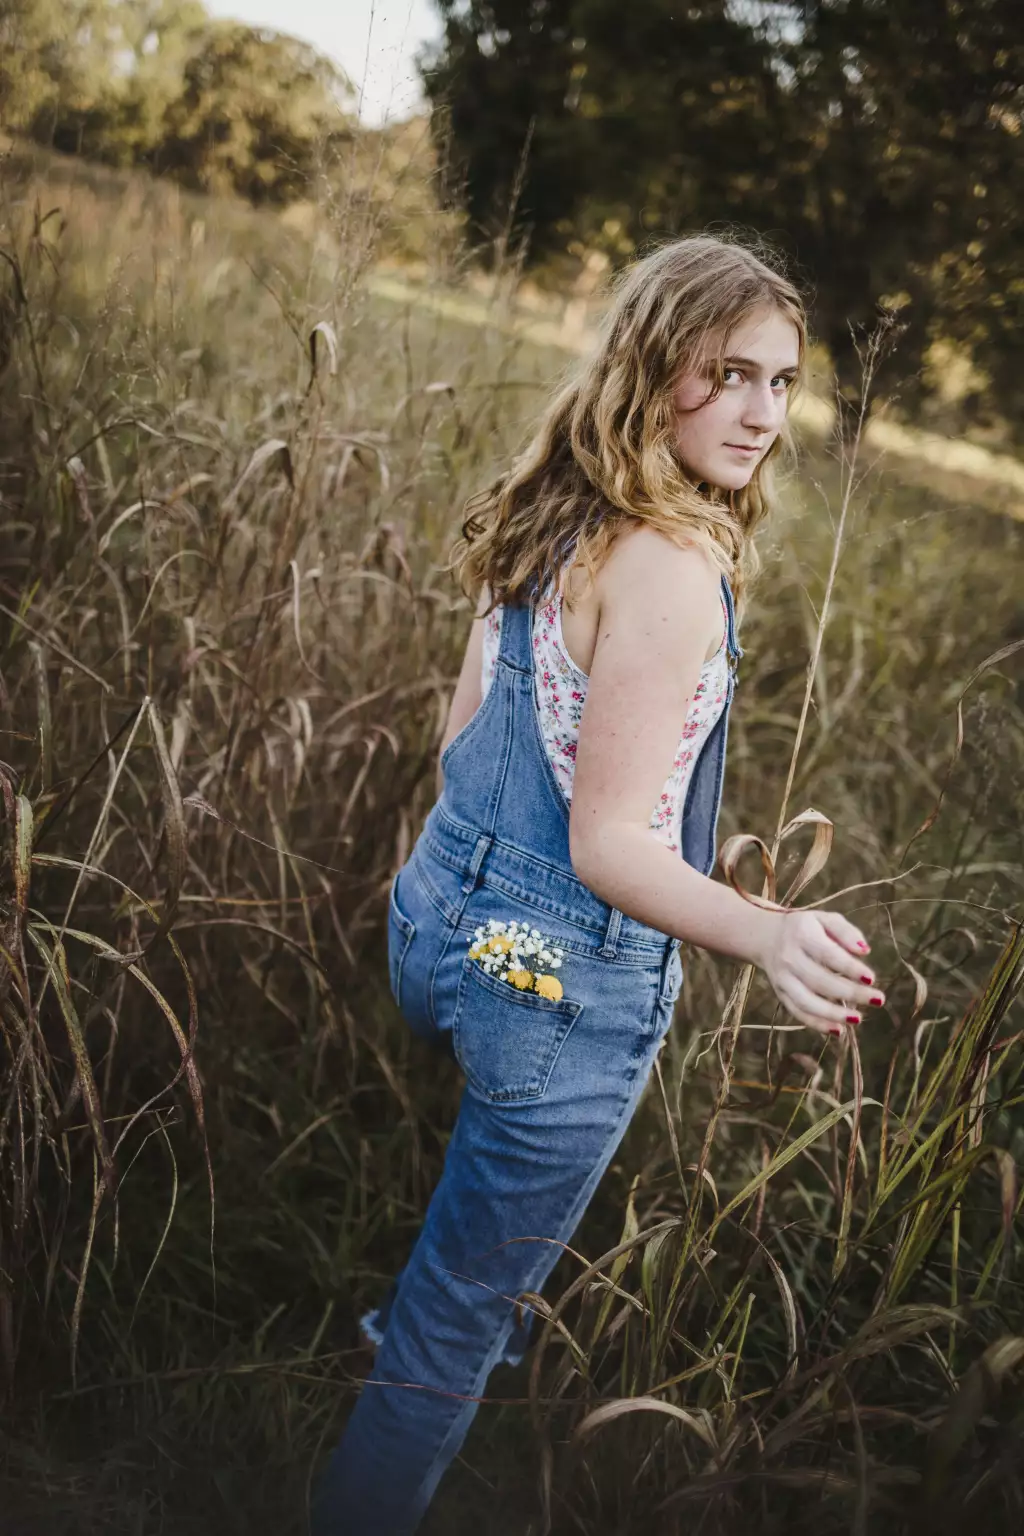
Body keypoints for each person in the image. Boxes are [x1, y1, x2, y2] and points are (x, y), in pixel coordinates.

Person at [312, 234, 885, 1534]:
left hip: (438, 929)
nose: (762, 413)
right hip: (559, 990)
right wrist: (770, 932)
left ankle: (416, 1311)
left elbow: (467, 737)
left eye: (785, 383)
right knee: (459, 1325)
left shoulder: (552, 505)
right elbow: (609, 847)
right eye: (726, 372)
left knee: (464, 1243)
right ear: (654, 364)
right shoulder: (672, 570)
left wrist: (463, 893)